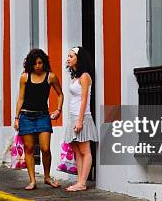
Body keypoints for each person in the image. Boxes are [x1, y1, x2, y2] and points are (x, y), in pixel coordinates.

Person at [13, 49, 64, 190]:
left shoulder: (50, 77)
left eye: (40, 63)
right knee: (29, 148)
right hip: (26, 116)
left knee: (45, 148)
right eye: (35, 63)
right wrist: (16, 118)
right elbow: (21, 98)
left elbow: (60, 94)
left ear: (44, 63)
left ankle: (47, 177)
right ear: (30, 64)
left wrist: (59, 109)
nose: (38, 66)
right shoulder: (25, 77)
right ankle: (32, 180)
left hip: (43, 116)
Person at [64, 46, 98, 192]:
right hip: (73, 116)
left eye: (71, 56)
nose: (68, 59)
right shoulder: (75, 77)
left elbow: (84, 100)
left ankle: (83, 182)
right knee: (77, 151)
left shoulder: (85, 76)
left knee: (85, 150)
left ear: (79, 58)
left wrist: (79, 120)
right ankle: (79, 181)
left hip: (82, 116)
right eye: (68, 56)